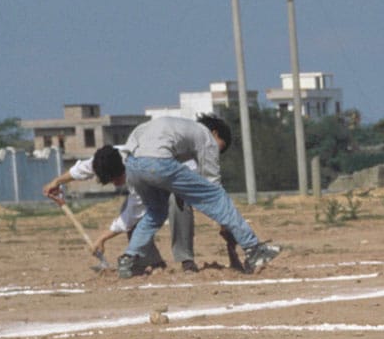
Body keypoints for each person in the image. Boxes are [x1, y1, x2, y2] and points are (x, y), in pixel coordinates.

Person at [90, 114, 280, 277]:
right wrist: (224, 221)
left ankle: (129, 257)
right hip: (158, 162)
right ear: (215, 134)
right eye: (220, 147)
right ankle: (253, 249)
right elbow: (212, 185)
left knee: (155, 212)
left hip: (132, 165)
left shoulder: (173, 129)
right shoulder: (206, 136)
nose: (217, 152)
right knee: (217, 196)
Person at [44, 152, 199, 272]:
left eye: (115, 180)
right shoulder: (107, 159)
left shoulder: (136, 173)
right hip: (150, 180)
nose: (115, 184)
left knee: (177, 202)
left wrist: (102, 238)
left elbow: (131, 216)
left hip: (172, 178)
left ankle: (186, 261)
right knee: (127, 209)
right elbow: (82, 169)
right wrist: (57, 182)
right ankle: (153, 262)